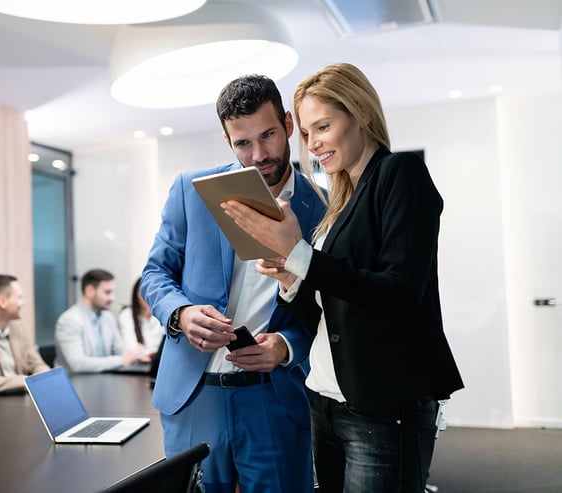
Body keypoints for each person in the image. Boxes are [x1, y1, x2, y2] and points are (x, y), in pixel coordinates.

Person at [221, 63, 464, 493]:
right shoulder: (339, 199)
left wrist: (298, 255)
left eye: (324, 127)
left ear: (361, 115)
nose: (313, 145)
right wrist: (289, 276)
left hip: (384, 405)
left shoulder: (400, 174)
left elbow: (401, 294)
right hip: (326, 398)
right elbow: (329, 312)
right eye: (308, 135)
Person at [141, 74, 327, 493]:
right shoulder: (190, 190)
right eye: (243, 143)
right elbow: (154, 273)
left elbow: (330, 305)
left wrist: (288, 345)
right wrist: (181, 312)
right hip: (194, 395)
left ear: (288, 124)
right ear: (227, 141)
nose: (259, 154)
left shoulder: (323, 208)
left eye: (268, 136)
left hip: (274, 398)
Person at [54, 268, 149, 373]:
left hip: (103, 380)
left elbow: (120, 350)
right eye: (107, 292)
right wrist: (121, 360)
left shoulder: (107, 317)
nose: (112, 298)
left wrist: (137, 355)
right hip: (77, 384)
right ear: (89, 291)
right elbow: (77, 363)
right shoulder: (69, 321)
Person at [118, 277, 164, 356]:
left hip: (158, 361)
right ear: (136, 295)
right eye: (142, 293)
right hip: (138, 363)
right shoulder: (126, 315)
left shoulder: (162, 313)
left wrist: (143, 351)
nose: (147, 297)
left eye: (151, 292)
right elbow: (131, 348)